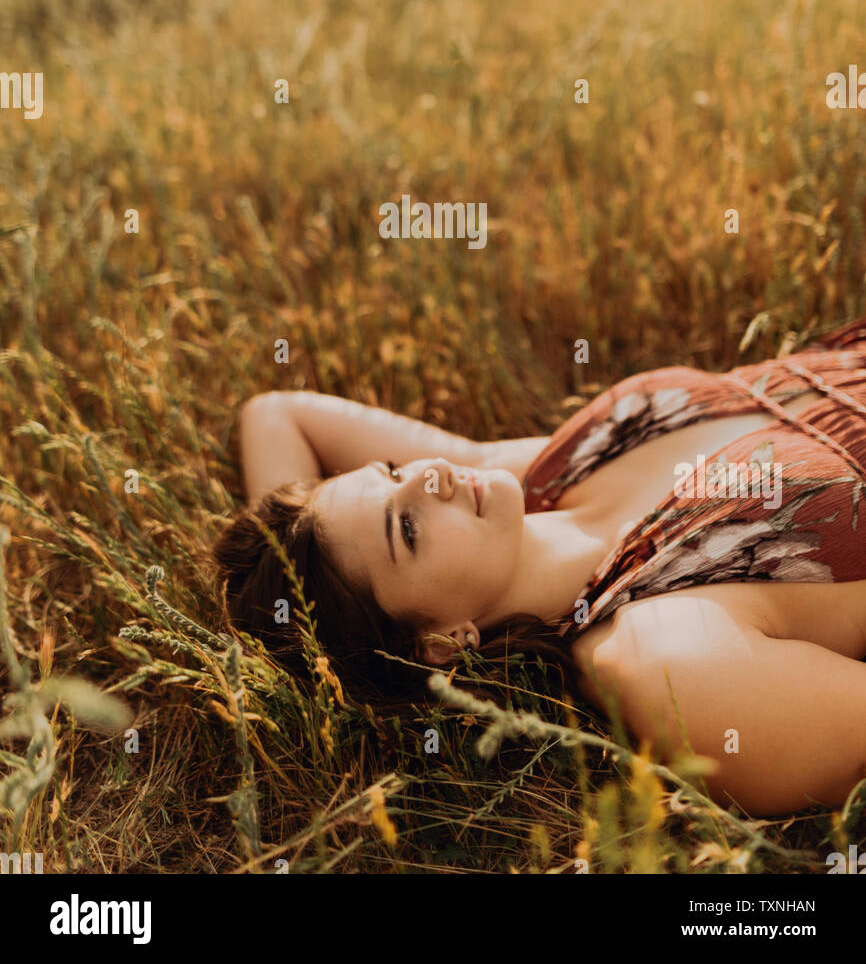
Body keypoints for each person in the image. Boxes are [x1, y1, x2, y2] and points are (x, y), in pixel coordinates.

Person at [214, 317, 866, 816]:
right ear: (444, 641)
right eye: (405, 528)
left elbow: (276, 413)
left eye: (392, 473)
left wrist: (285, 582)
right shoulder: (659, 653)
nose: (430, 476)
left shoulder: (550, 472)